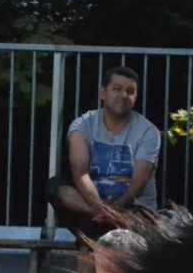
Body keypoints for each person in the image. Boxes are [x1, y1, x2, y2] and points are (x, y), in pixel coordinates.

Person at [49, 65, 162, 238]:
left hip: (133, 210)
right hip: (92, 203)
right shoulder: (83, 124)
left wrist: (114, 211)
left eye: (130, 91)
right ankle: (97, 219)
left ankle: (94, 234)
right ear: (103, 93)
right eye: (117, 89)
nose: (124, 95)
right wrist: (101, 209)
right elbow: (80, 173)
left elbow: (138, 184)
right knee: (56, 185)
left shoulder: (148, 131)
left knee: (90, 227)